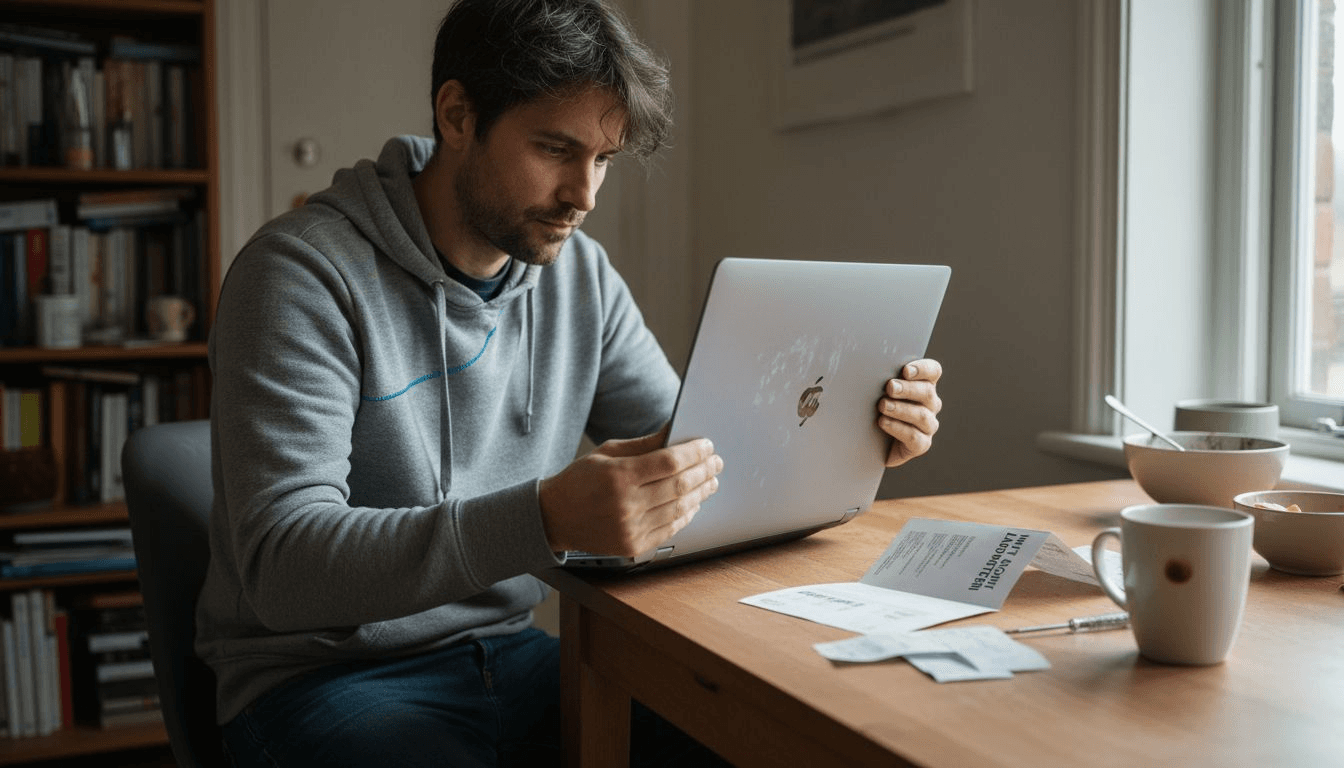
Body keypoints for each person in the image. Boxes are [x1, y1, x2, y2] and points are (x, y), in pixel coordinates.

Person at [200, 0, 945, 765]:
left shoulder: (578, 277)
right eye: (555, 149)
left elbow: (698, 460)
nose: (583, 195)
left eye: (604, 159)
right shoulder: (299, 277)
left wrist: (848, 434)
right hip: (324, 680)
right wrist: (543, 518)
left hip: (511, 655)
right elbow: (282, 569)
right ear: (457, 114)